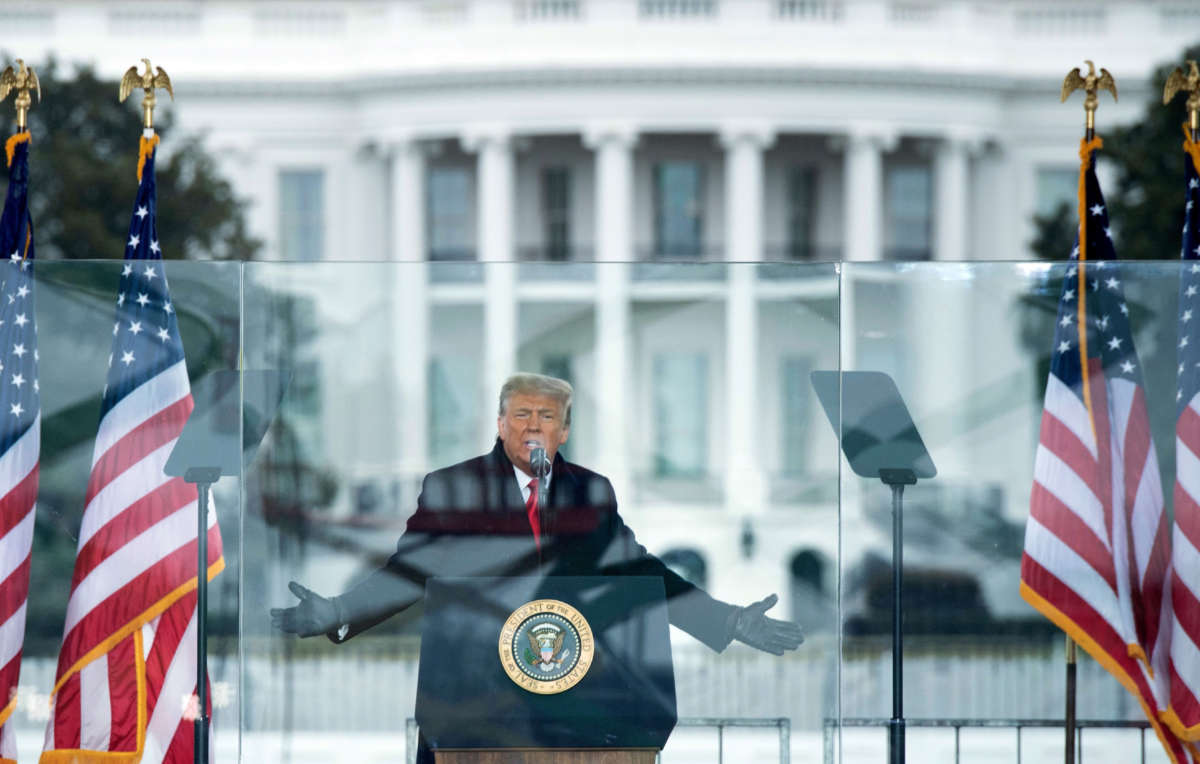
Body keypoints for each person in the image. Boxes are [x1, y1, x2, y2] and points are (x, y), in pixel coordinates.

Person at [271, 373, 804, 753]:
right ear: (499, 424)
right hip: (474, 707)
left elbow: (639, 573)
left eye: (546, 416)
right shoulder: (455, 488)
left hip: (572, 714)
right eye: (521, 414)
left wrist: (726, 619)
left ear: (564, 431)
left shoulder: (590, 492)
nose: (533, 425)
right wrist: (340, 610)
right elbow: (410, 571)